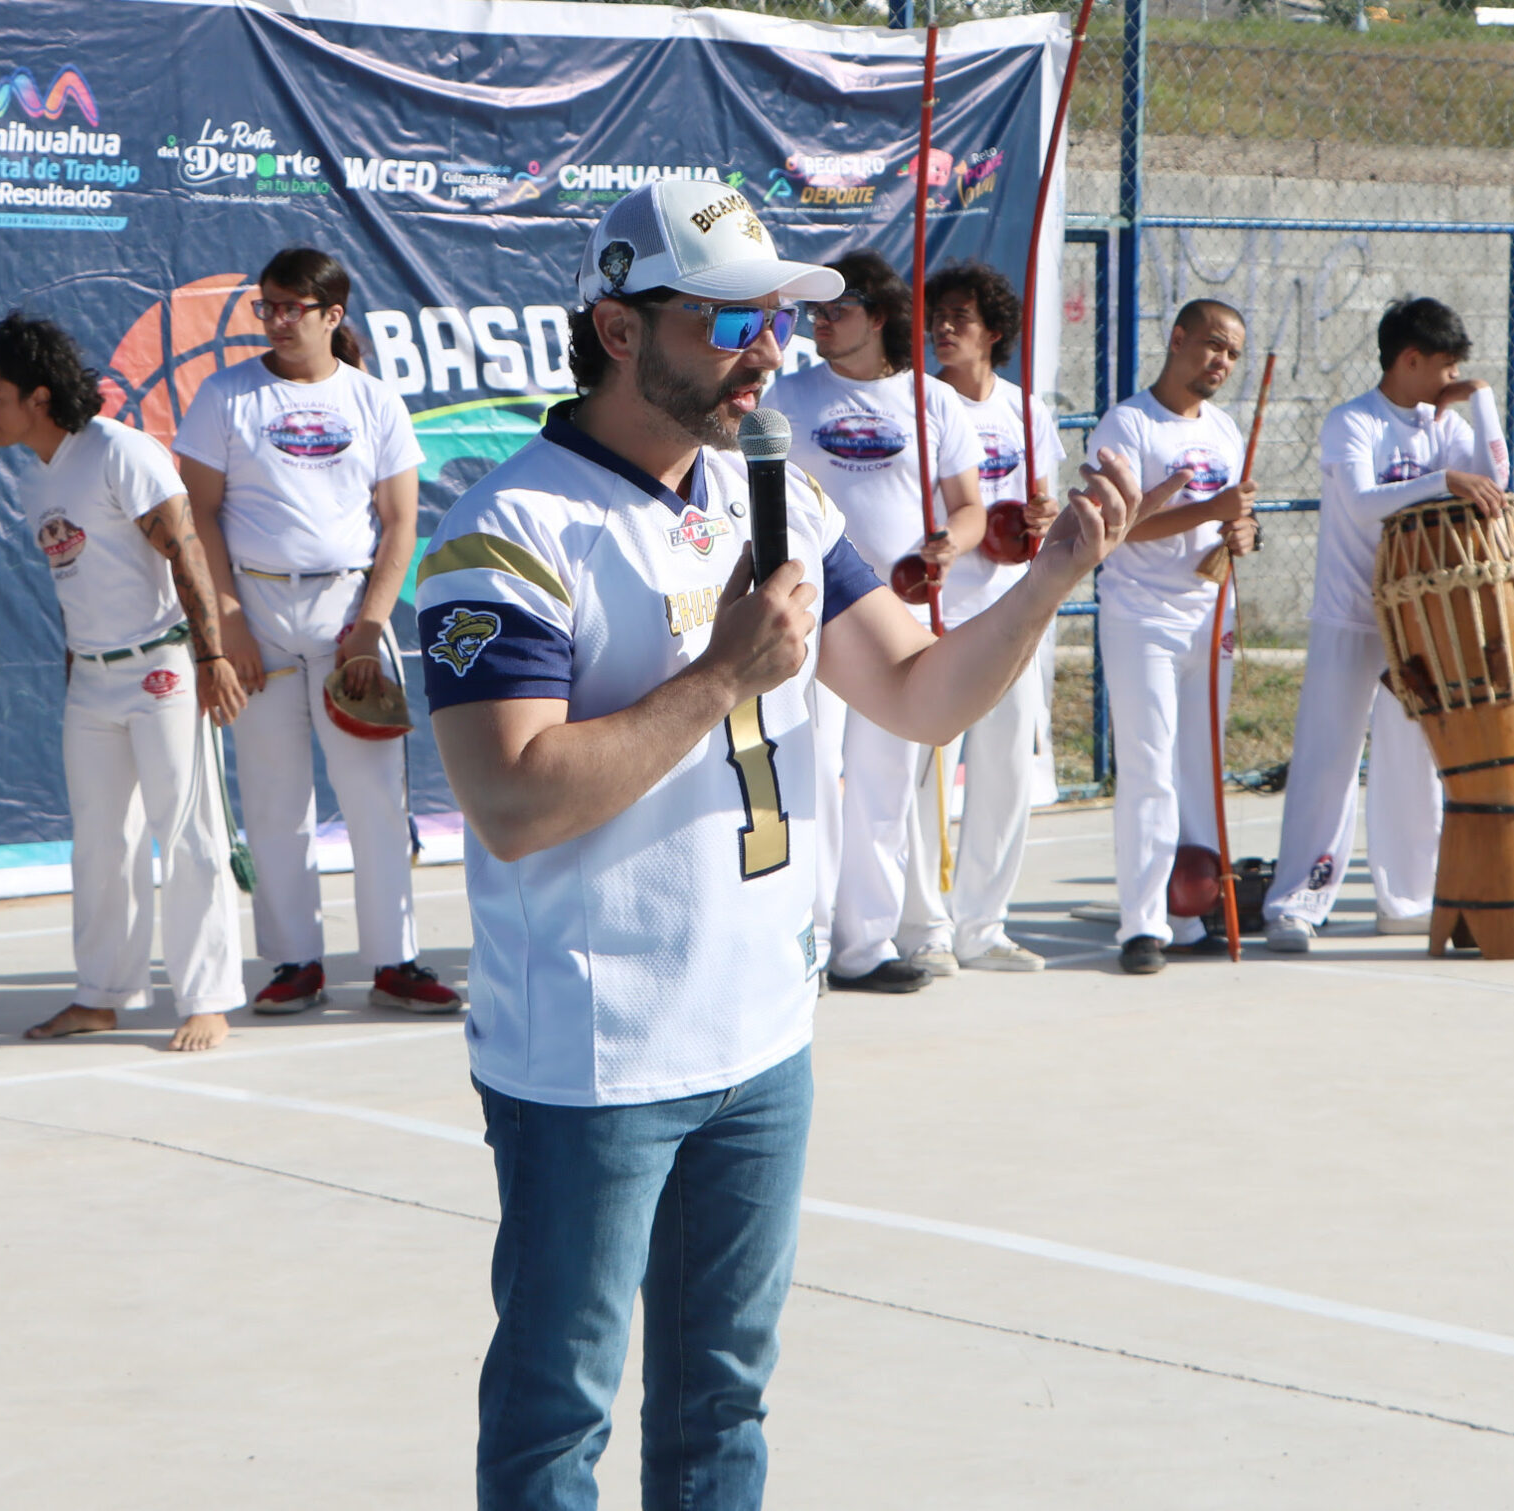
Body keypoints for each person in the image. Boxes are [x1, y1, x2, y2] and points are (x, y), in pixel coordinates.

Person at [415, 178, 1146, 1510]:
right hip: (594, 1056)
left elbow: (918, 692)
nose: (765, 350)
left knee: (722, 1403)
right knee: (555, 1417)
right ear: (619, 330)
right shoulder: (504, 531)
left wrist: (1048, 582)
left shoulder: (783, 496)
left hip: (762, 1037)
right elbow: (512, 802)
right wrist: (718, 676)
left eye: (776, 320)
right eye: (727, 321)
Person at [174, 248, 458, 1015]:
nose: (274, 319)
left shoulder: (374, 400)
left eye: (290, 307)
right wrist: (228, 623)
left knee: (376, 796)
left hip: (348, 614)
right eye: (266, 305)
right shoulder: (225, 394)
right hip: (257, 611)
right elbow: (198, 516)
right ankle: (294, 960)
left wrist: (369, 627)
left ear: (333, 314)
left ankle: (395, 961)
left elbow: (400, 524)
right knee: (274, 800)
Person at [0, 313, 251, 1051]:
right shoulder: (37, 478)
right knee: (100, 843)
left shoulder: (119, 451)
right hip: (90, 680)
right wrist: (77, 666)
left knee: (187, 835)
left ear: (38, 395)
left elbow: (186, 549)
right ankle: (101, 994)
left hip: (163, 669)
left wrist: (212, 658)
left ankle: (208, 999)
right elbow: (83, 581)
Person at [1261, 297, 1510, 952]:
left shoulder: (1444, 424)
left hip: (1420, 619)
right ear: (1410, 360)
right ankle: (1297, 902)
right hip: (1350, 614)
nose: (1452, 378)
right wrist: (1444, 480)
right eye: (1448, 366)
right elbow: (1364, 503)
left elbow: (1498, 479)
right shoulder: (1352, 421)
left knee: (1413, 760)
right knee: (1328, 761)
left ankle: (1408, 899)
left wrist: (1480, 400)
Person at [764, 249, 983, 991]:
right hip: (814, 612)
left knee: (885, 784)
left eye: (839, 309)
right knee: (815, 772)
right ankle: (814, 939)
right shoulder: (788, 397)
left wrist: (949, 544)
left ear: (880, 316)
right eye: (816, 312)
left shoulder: (932, 402)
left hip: (899, 615)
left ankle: (866, 944)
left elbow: (970, 507)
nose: (821, 322)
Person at [1085, 299, 1262, 973]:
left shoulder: (1225, 429)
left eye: (1233, 353)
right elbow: (1118, 526)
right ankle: (1142, 925)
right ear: (1178, 338)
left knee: (1200, 769)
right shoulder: (1128, 423)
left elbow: (1236, 520)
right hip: (1142, 615)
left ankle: (1191, 913)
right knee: (1149, 767)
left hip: (1211, 614)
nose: (1222, 361)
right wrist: (1212, 508)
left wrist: (1242, 531)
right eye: (1213, 344)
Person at [899, 260, 1064, 974]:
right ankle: (923, 927)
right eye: (936, 317)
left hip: (1011, 611)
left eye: (959, 318)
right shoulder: (919, 405)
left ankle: (983, 926)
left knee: (1005, 769)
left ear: (994, 331)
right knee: (923, 773)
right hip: (936, 610)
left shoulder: (1027, 412)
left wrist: (1039, 517)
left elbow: (1043, 504)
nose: (943, 328)